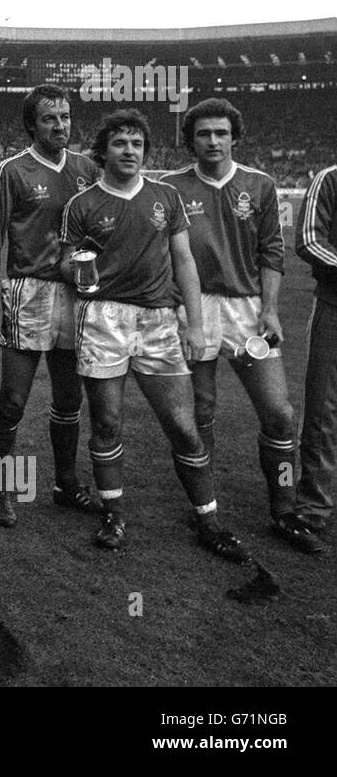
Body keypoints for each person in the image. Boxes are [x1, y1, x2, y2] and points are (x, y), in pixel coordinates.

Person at [59, 108, 248, 559]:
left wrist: (196, 325)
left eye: (137, 144)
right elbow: (66, 264)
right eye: (120, 143)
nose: (130, 151)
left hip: (159, 321)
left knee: (184, 426)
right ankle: (114, 514)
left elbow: (184, 261)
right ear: (103, 151)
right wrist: (79, 266)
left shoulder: (166, 196)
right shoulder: (81, 205)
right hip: (103, 318)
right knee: (107, 422)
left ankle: (208, 519)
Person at [165, 98, 321, 553]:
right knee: (202, 411)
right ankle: (205, 511)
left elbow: (272, 251)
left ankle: (285, 508)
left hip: (248, 311)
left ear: (235, 137)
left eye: (221, 133)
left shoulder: (261, 184)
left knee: (279, 413)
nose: (212, 141)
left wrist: (270, 309)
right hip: (194, 310)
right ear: (190, 140)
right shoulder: (172, 188)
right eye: (203, 134)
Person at [0, 85, 102, 526]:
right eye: (50, 118)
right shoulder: (13, 170)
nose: (60, 125)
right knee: (12, 400)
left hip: (76, 294)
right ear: (32, 124)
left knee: (70, 400)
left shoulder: (88, 168)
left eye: (66, 116)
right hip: (28, 291)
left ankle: (66, 484)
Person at [295, 162, 337, 543]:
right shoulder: (330, 178)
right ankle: (314, 505)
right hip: (335, 307)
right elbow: (309, 240)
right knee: (324, 411)